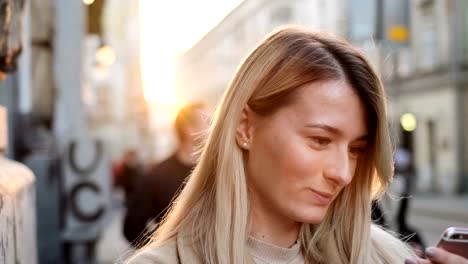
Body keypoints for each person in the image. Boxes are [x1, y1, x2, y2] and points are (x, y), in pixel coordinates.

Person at [125, 26, 467, 264]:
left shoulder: (386, 258)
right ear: (245, 127)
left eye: (356, 149)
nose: (343, 173)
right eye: (320, 140)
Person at [123, 102, 209, 247]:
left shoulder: (215, 170)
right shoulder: (157, 176)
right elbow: (132, 227)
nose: (214, 127)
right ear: (189, 130)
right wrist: (163, 252)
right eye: (208, 122)